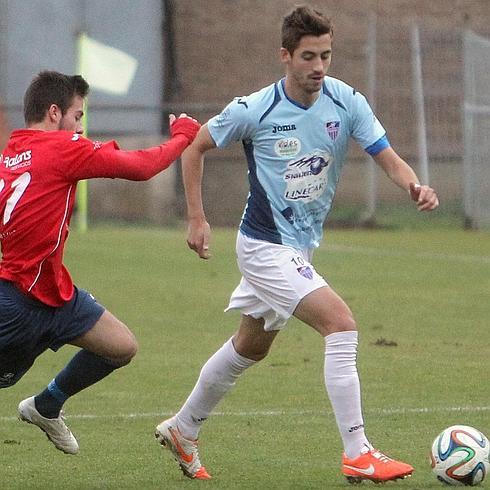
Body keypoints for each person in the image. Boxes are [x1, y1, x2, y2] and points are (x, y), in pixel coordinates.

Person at [154, 5, 439, 484]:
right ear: (285, 55)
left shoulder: (345, 101)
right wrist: (197, 217)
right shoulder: (255, 108)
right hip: (265, 246)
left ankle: (184, 427)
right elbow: (194, 147)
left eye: (326, 55)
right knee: (340, 324)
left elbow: (386, 157)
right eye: (309, 56)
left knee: (250, 347)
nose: (319, 67)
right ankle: (358, 450)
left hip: (299, 248)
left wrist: (414, 185)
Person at [0, 70, 200, 455]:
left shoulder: (12, 154)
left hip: (54, 293)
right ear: (55, 113)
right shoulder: (61, 148)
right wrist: (183, 136)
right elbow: (141, 166)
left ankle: (46, 405)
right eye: (78, 117)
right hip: (19, 304)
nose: (80, 127)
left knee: (120, 346)